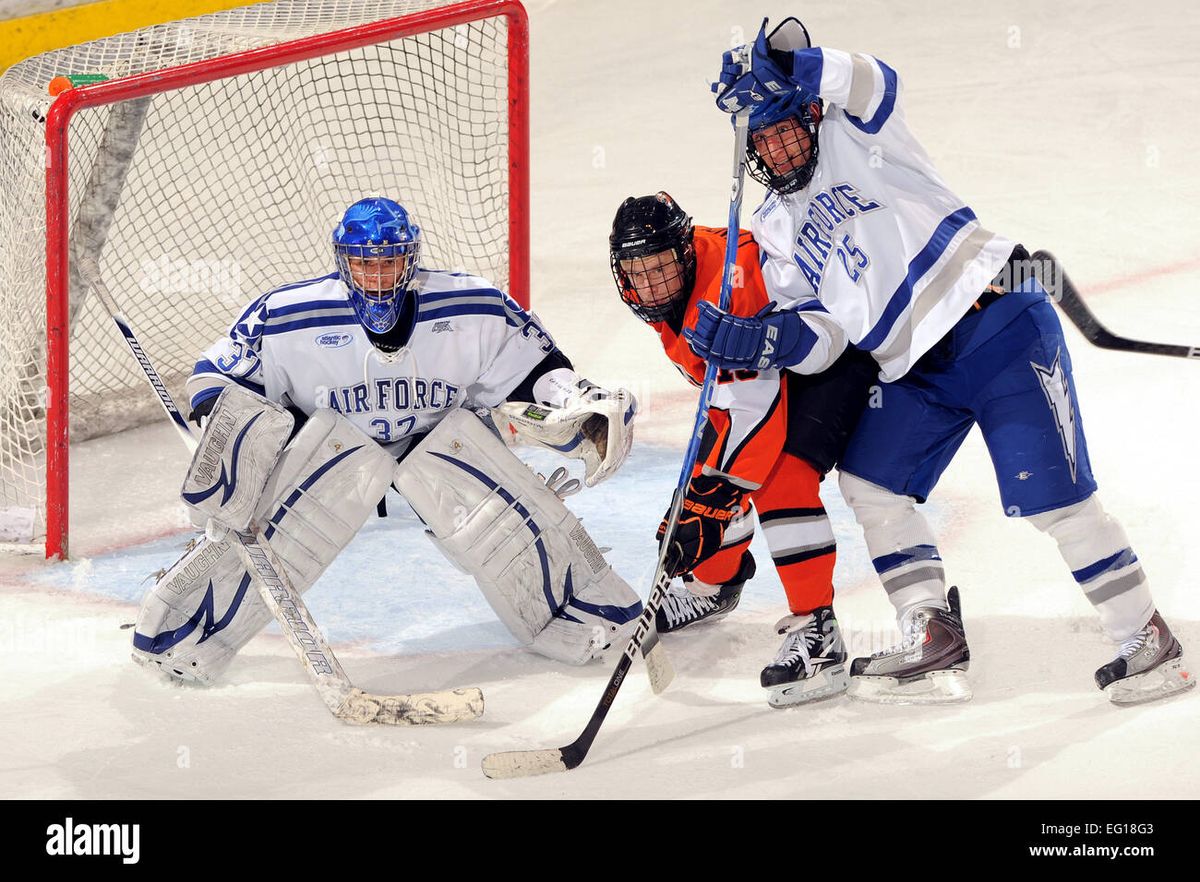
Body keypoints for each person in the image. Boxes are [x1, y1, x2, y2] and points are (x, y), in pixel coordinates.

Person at [688, 18, 1192, 705]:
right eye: (763, 139)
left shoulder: (855, 131)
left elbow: (872, 78)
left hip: (997, 329)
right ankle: (930, 631)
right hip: (911, 371)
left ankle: (1146, 636)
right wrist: (764, 342)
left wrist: (794, 63)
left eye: (786, 127)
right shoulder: (775, 226)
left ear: (808, 114)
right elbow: (828, 336)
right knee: (870, 485)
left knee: (1057, 501)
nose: (778, 148)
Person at [131, 196, 643, 684]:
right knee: (275, 529)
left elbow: (536, 372)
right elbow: (215, 377)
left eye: (390, 262)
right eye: (364, 264)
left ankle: (587, 609)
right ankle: (184, 630)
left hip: (441, 446)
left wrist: (582, 405)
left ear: (411, 258)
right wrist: (226, 428)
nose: (377, 276)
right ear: (342, 263)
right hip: (332, 452)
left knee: (498, 514)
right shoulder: (288, 314)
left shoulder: (471, 304)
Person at [609, 191, 876, 706]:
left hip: (837, 357)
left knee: (777, 479)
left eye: (660, 268)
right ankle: (714, 588)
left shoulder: (724, 287)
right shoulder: (669, 298)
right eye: (636, 272)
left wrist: (714, 496)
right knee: (705, 494)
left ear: (685, 255)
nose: (649, 284)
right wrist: (701, 496)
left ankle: (820, 635)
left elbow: (757, 413)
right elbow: (731, 400)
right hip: (770, 372)